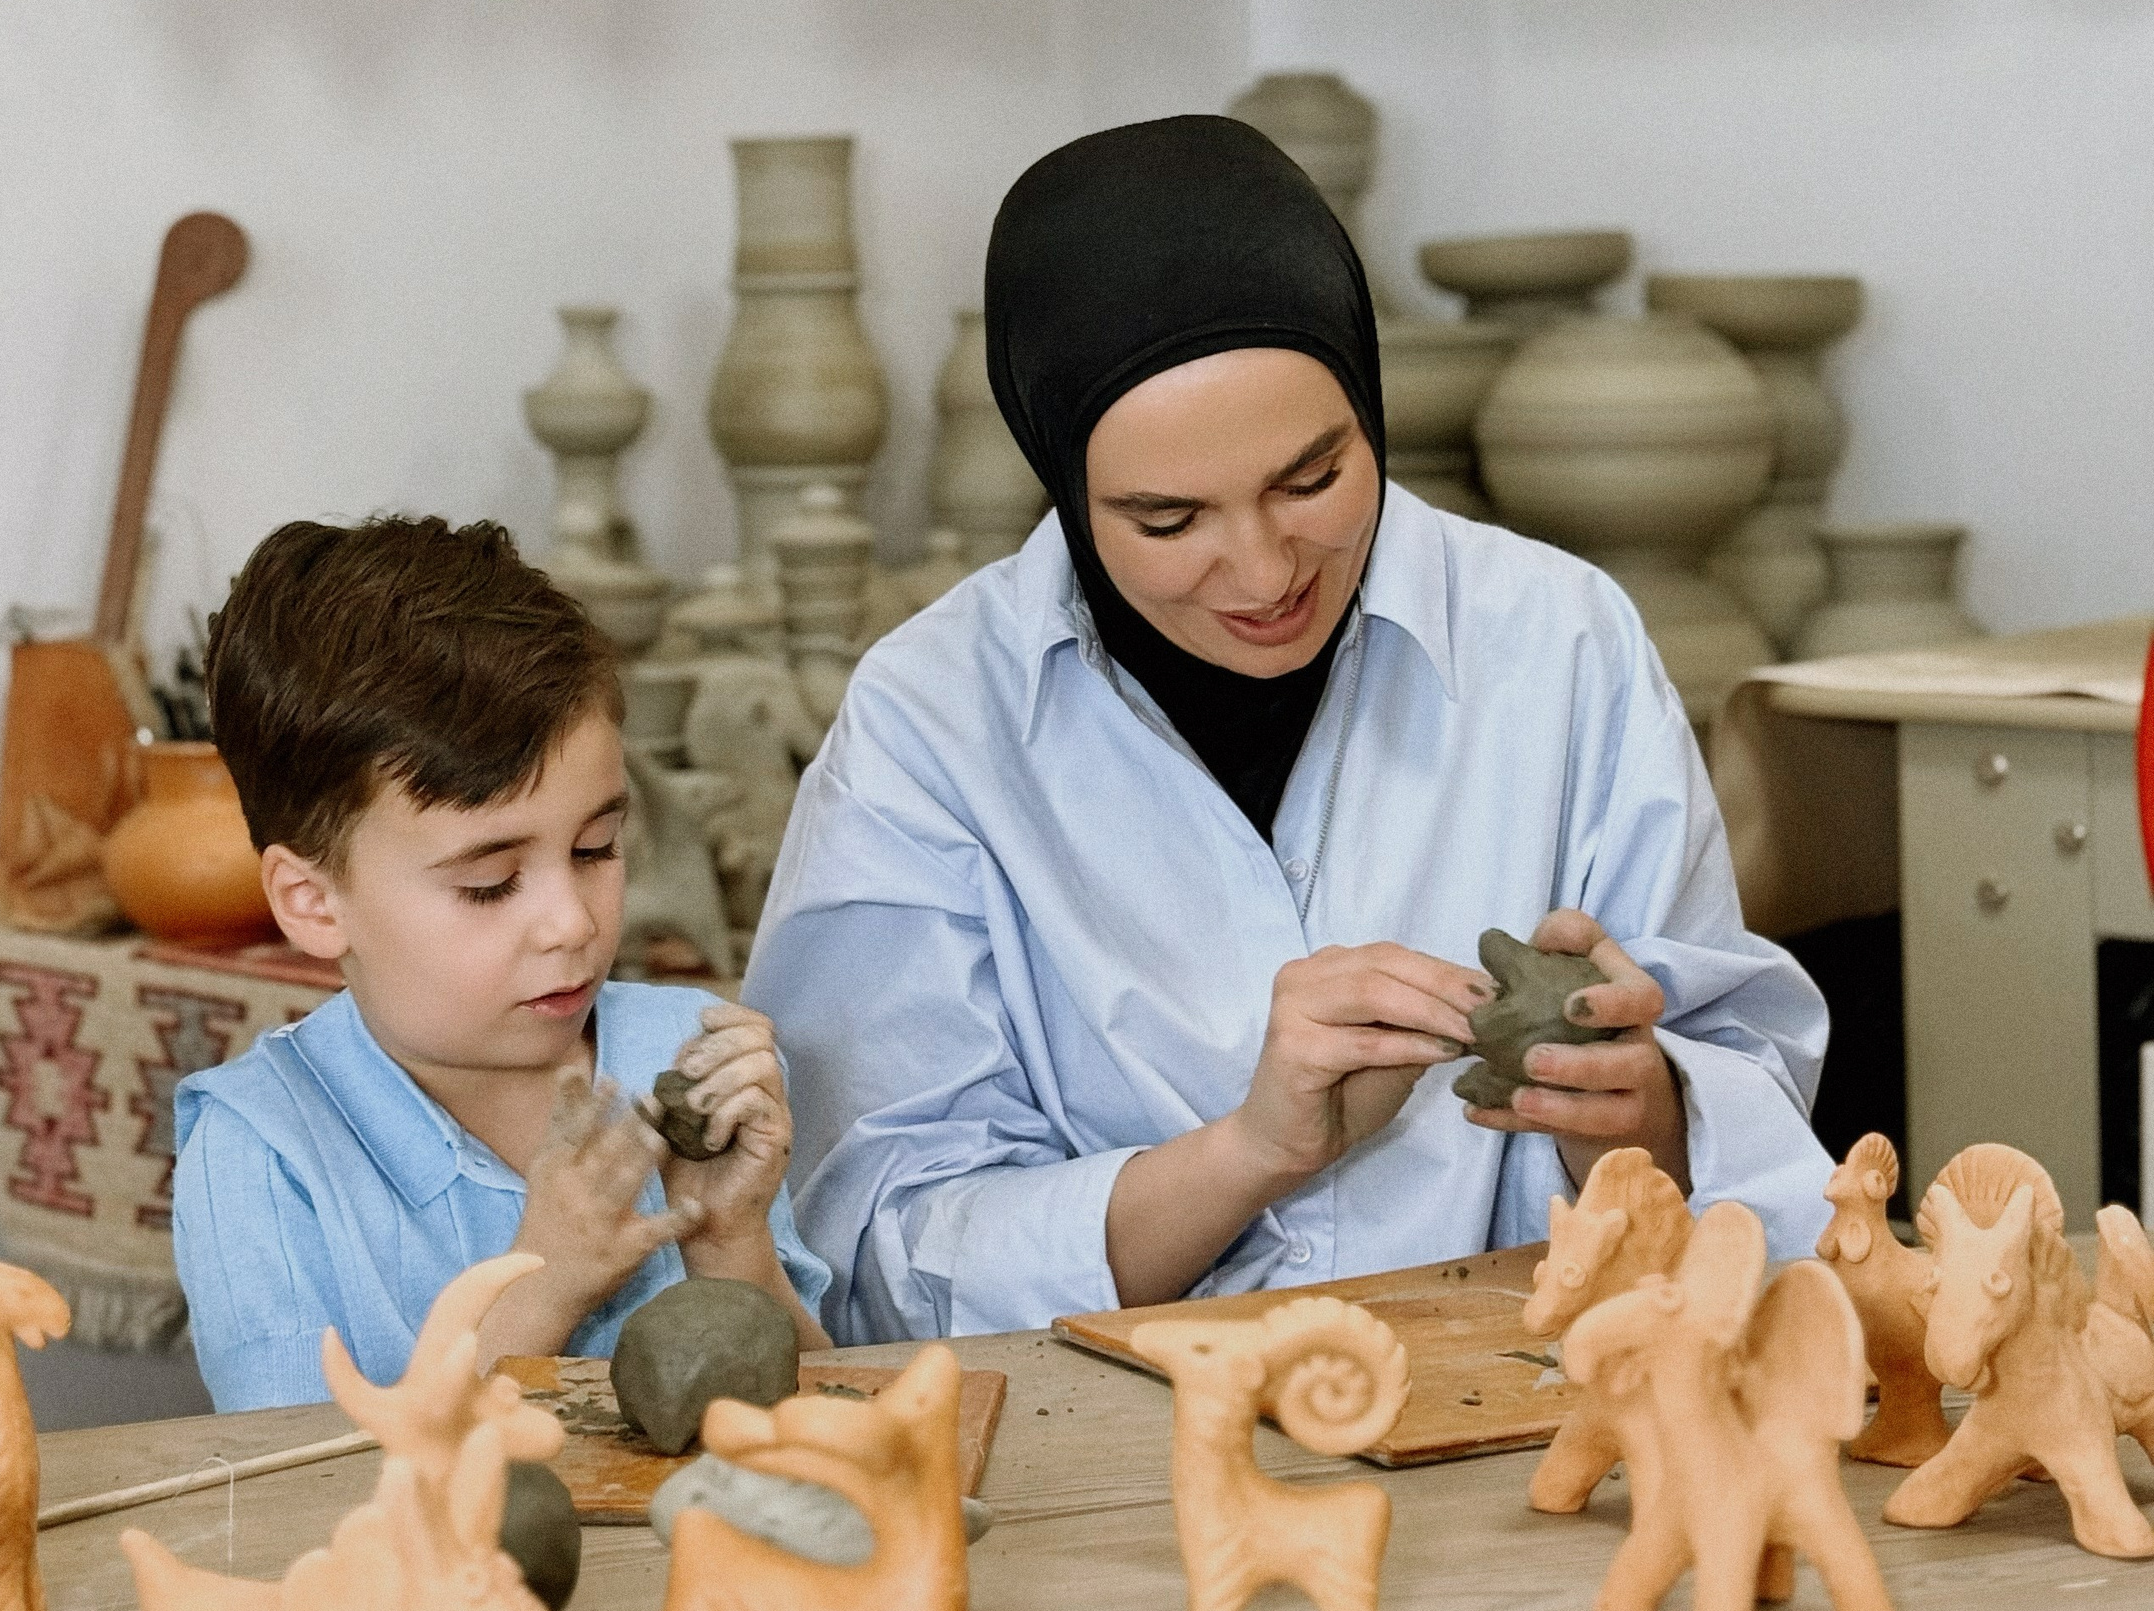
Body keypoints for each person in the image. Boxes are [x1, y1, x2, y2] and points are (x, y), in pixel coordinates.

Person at [745, 115, 1832, 1344]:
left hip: (1534, 1398)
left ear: (1369, 400)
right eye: (1168, 520)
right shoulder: (931, 724)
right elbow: (871, 1261)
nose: (1264, 572)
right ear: (1061, 478)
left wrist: (1648, 1114)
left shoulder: (1555, 639)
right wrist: (1249, 1151)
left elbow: (1754, 1118)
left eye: (1312, 479)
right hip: (1111, 1442)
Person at [173, 514, 828, 1408]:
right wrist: (542, 1286)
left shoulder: (687, 1053)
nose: (571, 922)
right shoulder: (262, 1152)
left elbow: (836, 1418)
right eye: (490, 884)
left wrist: (729, 1241)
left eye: (596, 848)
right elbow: (305, 1479)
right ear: (314, 902)